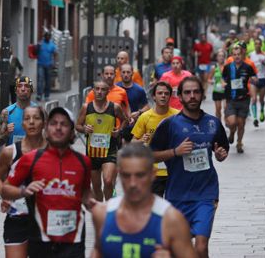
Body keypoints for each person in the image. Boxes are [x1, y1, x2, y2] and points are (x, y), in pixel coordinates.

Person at [150, 76, 229, 257]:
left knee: (201, 247)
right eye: (187, 92)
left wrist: (220, 155)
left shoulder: (213, 123)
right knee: (179, 248)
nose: (192, 96)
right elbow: (150, 156)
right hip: (177, 195)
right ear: (180, 96)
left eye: (196, 92)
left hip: (206, 194)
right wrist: (175, 152)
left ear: (202, 94)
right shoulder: (170, 124)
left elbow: (222, 151)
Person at [1, 107, 94, 258]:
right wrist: (23, 191)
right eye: (53, 123)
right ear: (47, 128)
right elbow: (6, 189)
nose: (58, 127)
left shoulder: (83, 162)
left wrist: (102, 209)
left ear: (72, 131)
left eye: (64, 124)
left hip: (73, 239)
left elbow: (86, 194)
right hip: (41, 240)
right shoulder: (30, 159)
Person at [91, 143, 196, 258]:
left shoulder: (172, 220)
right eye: (126, 175)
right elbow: (98, 251)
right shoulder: (102, 214)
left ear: (153, 174)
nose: (133, 183)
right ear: (119, 174)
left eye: (140, 175)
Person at [0, 105, 47, 258]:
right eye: (27, 119)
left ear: (44, 123)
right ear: (22, 124)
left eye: (36, 118)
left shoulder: (54, 151)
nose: (31, 122)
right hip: (17, 218)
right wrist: (4, 194)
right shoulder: (10, 152)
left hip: (45, 219)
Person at [76, 79, 129, 202]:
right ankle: (101, 209)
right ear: (93, 91)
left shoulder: (114, 107)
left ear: (108, 92)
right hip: (92, 152)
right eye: (97, 89)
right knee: (96, 186)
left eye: (103, 89)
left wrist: (119, 131)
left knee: (108, 181)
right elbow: (77, 125)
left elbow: (125, 120)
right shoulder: (86, 107)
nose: (99, 92)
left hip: (109, 150)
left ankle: (109, 207)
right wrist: (84, 129)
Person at [131, 81, 178, 197]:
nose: (163, 96)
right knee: (155, 208)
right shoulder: (145, 117)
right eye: (160, 93)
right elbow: (132, 143)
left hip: (174, 171)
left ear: (170, 96)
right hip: (152, 171)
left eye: (166, 93)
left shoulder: (178, 116)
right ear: (154, 96)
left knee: (172, 207)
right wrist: (141, 140)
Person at [222, 44, 256, 153]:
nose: (237, 56)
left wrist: (255, 81)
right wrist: (223, 84)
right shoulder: (228, 67)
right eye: (235, 54)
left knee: (241, 123)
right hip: (231, 99)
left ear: (242, 55)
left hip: (244, 99)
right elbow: (222, 79)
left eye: (239, 54)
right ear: (232, 55)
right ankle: (232, 133)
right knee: (232, 122)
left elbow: (254, 78)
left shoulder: (248, 67)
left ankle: (239, 143)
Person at [0, 76, 39, 147]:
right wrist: (6, 133)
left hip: (33, 156)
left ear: (31, 90)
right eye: (19, 86)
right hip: (14, 156)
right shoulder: (7, 112)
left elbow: (48, 138)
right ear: (15, 91)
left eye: (26, 86)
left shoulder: (39, 111)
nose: (23, 89)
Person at [117, 63, 149, 144]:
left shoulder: (139, 90)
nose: (126, 74)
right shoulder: (115, 88)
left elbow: (147, 106)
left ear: (132, 73)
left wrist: (139, 112)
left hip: (133, 126)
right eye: (123, 72)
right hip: (117, 126)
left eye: (128, 72)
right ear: (120, 73)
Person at [248, 38, 265, 127]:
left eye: (258, 44)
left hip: (263, 79)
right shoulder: (251, 55)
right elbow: (248, 67)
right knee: (253, 99)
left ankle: (262, 110)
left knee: (261, 100)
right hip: (254, 80)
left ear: (261, 45)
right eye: (255, 43)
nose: (257, 45)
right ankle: (255, 118)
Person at [35, 31, 58, 102]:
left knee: (48, 81)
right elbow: (35, 52)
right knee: (40, 80)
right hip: (40, 64)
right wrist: (36, 48)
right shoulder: (40, 43)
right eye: (46, 36)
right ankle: (39, 94)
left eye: (49, 36)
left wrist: (54, 63)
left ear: (50, 37)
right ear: (44, 37)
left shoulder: (52, 45)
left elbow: (55, 53)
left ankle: (47, 95)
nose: (47, 37)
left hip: (49, 65)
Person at [209, 49, 227, 125]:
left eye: (222, 56)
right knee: (218, 109)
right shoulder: (214, 67)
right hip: (217, 90)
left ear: (224, 57)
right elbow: (209, 79)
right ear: (217, 57)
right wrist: (211, 81)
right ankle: (219, 123)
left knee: (226, 108)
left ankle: (226, 120)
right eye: (219, 56)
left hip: (226, 90)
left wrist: (226, 83)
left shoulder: (227, 67)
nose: (221, 57)